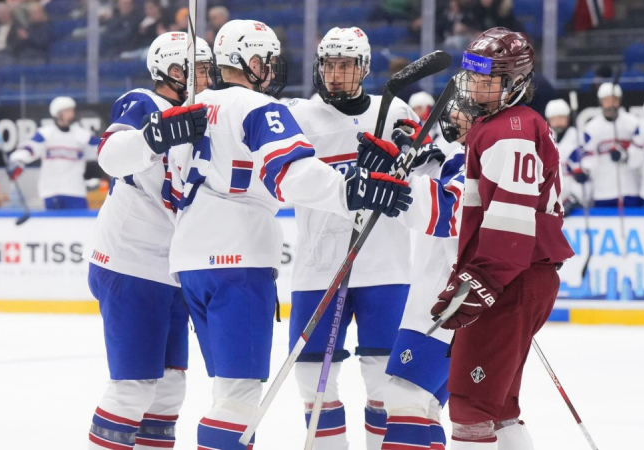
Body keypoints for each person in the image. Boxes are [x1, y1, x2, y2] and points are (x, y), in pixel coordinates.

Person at [165, 20, 413, 450]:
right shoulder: (265, 109)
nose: (275, 70)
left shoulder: (189, 107)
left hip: (189, 262)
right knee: (241, 398)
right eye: (270, 61)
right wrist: (350, 188)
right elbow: (292, 175)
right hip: (239, 263)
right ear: (253, 61)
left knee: (226, 391)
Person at [428, 27, 574, 448]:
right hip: (524, 276)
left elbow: (510, 220)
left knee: (472, 408)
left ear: (517, 84)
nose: (475, 88)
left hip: (511, 276)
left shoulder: (507, 132)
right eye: (472, 78)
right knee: (500, 408)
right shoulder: (512, 123)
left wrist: (482, 282)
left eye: (488, 81)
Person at [283, 26, 420, 450]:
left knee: (383, 378)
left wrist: (405, 153)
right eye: (329, 66)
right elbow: (284, 180)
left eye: (345, 65)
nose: (336, 75)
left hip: (385, 264)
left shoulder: (395, 111)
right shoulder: (298, 116)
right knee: (310, 377)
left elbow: (422, 179)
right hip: (319, 267)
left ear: (363, 67)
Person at [84, 32, 213, 450]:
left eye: (209, 70)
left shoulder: (207, 115)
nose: (206, 78)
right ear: (170, 71)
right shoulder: (144, 102)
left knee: (170, 388)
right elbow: (110, 155)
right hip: (130, 261)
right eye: (196, 70)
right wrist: (154, 136)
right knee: (133, 387)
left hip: (172, 268)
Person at [356, 103, 470, 450]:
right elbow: (438, 171)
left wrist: (393, 178)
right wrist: (409, 161)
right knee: (426, 406)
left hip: (447, 301)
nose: (454, 117)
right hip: (443, 298)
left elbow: (445, 213)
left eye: (465, 111)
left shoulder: (476, 159)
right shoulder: (461, 154)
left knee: (402, 395)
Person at [9, 96, 100, 210]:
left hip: (76, 191)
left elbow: (100, 149)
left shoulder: (81, 135)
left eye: (72, 110)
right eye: (68, 111)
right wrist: (18, 159)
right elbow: (30, 148)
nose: (72, 114)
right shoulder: (46, 134)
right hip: (52, 191)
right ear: (58, 114)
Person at [578, 82, 641, 207]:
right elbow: (588, 157)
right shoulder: (592, 127)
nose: (610, 104)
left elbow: (640, 152)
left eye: (614, 100)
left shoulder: (633, 123)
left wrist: (626, 156)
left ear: (619, 101)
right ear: (601, 102)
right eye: (606, 100)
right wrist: (585, 171)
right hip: (603, 191)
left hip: (629, 189)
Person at [544, 98, 587, 213]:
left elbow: (584, 175)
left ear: (567, 118)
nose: (558, 122)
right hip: (551, 203)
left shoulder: (579, 138)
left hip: (574, 202)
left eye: (561, 118)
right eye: (554, 119)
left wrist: (574, 199)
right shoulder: (544, 140)